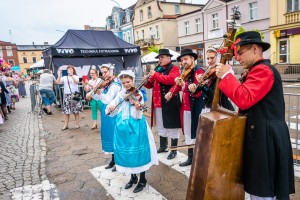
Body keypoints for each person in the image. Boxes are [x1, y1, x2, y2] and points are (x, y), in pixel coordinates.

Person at [215, 31, 295, 199]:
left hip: (266, 138)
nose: (238, 58)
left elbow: (244, 98)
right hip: (262, 135)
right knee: (261, 189)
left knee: (264, 191)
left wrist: (227, 76)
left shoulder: (263, 70)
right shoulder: (256, 70)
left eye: (241, 53)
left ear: (255, 49)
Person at [106, 70, 158, 193]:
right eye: (123, 83)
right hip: (122, 127)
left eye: (128, 82)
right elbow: (112, 106)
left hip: (136, 126)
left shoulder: (138, 93)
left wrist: (137, 108)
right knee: (128, 154)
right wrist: (111, 107)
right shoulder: (121, 93)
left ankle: (142, 179)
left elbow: (138, 114)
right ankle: (133, 177)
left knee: (138, 152)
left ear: (133, 81)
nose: (126, 84)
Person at [165, 48, 205, 166]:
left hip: (196, 108)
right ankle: (191, 157)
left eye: (186, 59)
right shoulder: (185, 72)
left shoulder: (199, 71)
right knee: (188, 133)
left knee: (197, 133)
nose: (183, 62)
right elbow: (178, 85)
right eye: (182, 60)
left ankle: (198, 158)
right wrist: (171, 92)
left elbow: (197, 90)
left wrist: (185, 85)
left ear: (192, 59)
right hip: (186, 108)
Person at [143, 48, 181, 160]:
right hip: (158, 102)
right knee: (161, 125)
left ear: (169, 57)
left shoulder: (174, 68)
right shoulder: (158, 69)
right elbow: (151, 85)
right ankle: (163, 146)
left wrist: (155, 75)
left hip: (170, 102)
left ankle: (174, 150)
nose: (160, 59)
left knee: (172, 125)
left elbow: (170, 80)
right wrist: (147, 80)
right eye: (159, 58)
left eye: (162, 57)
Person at [92, 64, 121, 171]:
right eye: (102, 72)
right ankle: (113, 160)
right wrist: (93, 92)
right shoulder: (108, 84)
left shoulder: (116, 84)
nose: (103, 75)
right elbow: (100, 97)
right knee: (109, 135)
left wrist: (99, 92)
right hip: (106, 112)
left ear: (112, 71)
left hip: (113, 112)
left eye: (105, 72)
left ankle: (118, 161)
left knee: (115, 136)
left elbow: (108, 99)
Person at [194, 46, 235, 113]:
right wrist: (194, 86)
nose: (209, 61)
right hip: (207, 107)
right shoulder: (210, 70)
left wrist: (204, 85)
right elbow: (199, 89)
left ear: (219, 57)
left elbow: (214, 96)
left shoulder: (223, 73)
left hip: (220, 109)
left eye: (212, 58)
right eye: (207, 58)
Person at [57, 65, 83, 130]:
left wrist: (71, 75)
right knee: (66, 111)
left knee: (76, 111)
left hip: (75, 94)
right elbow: (58, 82)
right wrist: (60, 74)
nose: (70, 70)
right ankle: (66, 125)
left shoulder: (75, 76)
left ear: (73, 70)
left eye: (71, 69)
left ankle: (77, 124)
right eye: (68, 69)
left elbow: (77, 81)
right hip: (67, 94)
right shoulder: (64, 77)